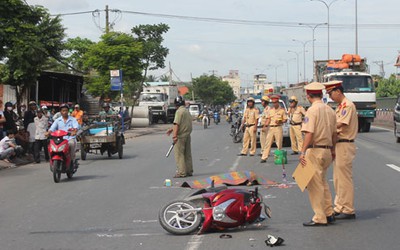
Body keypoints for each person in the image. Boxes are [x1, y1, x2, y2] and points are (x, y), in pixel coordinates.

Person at [299, 82, 337, 227]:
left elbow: (309, 133)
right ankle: (329, 212)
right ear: (321, 95)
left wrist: (302, 152)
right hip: (327, 150)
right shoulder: (330, 110)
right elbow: (335, 133)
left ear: (309, 96)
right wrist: (332, 150)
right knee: (322, 182)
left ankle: (320, 217)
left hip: (315, 150)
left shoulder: (312, 111)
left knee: (314, 185)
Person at [324, 80, 358, 220]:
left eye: (331, 93)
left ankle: (348, 209)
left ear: (338, 91)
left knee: (344, 179)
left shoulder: (347, 106)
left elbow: (341, 124)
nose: (330, 96)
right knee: (338, 179)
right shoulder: (340, 106)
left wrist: (326, 127)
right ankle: (339, 206)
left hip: (345, 144)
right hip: (338, 144)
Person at [166, 96, 193, 178]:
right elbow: (182, 123)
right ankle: (189, 171)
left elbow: (176, 124)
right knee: (187, 154)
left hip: (180, 136)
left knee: (179, 154)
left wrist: (174, 136)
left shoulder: (178, 112)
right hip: (187, 135)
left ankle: (181, 172)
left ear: (176, 105)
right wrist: (171, 129)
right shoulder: (186, 111)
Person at [261, 95, 287, 163]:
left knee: (279, 143)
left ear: (278, 102)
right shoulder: (271, 110)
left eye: (275, 102)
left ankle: (279, 157)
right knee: (267, 143)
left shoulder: (282, 110)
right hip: (271, 128)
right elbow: (268, 119)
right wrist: (265, 126)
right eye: (273, 102)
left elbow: (285, 120)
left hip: (278, 128)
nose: (274, 104)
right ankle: (264, 157)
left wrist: (281, 121)